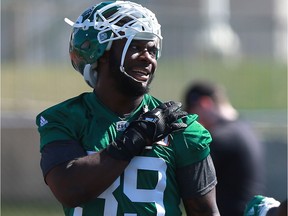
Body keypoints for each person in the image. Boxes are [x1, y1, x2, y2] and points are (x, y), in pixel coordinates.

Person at [36, 1, 220, 215]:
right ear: (100, 52)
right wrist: (137, 136)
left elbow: (205, 212)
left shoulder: (181, 128)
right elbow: (70, 189)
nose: (147, 58)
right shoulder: (65, 118)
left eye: (152, 49)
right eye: (135, 47)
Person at [184, 80, 265, 216]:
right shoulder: (245, 128)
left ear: (205, 104)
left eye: (193, 113)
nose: (194, 122)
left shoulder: (222, 137)